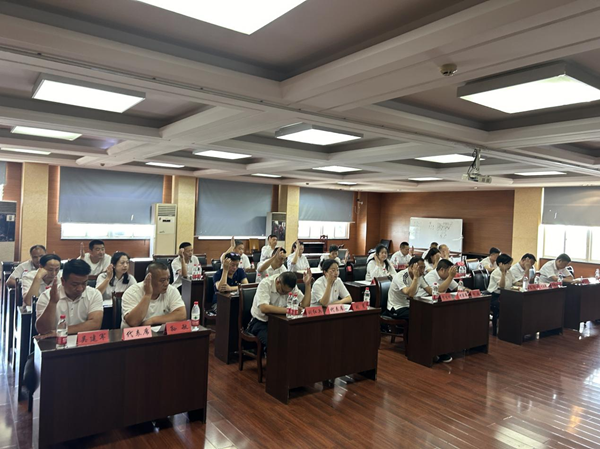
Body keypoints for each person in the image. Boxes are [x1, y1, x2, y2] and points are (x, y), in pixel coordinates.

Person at [248, 271, 312, 351]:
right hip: (261, 323)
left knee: (296, 339)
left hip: (281, 322)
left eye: (287, 292)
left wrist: (307, 285)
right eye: (283, 291)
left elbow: (305, 305)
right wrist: (289, 310)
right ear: (278, 282)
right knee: (275, 343)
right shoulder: (265, 284)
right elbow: (264, 308)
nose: (285, 294)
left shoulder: (291, 287)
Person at [36, 259, 103, 335]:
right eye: (74, 284)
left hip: (82, 340)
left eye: (84, 283)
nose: (80, 288)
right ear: (63, 281)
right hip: (54, 341)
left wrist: (60, 332)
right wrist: (52, 302)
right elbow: (42, 330)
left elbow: (95, 324)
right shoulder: (47, 296)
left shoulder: (94, 294)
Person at [121, 262, 186, 328]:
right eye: (162, 280)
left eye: (168, 279)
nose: (166, 283)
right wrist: (147, 295)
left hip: (159, 332)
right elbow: (133, 322)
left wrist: (153, 320)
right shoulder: (132, 292)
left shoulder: (171, 290)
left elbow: (182, 314)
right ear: (149, 279)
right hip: (134, 333)